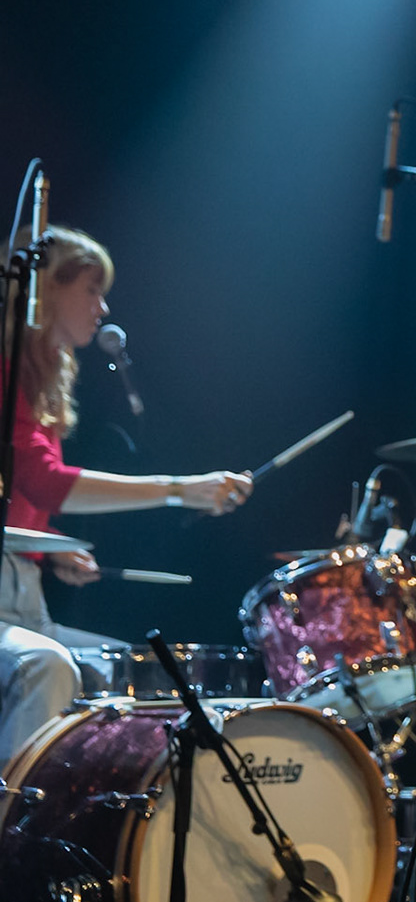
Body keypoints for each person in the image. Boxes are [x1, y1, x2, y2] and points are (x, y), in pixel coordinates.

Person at [1, 225, 253, 764]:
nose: (103, 307)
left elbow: (26, 495)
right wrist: (179, 490)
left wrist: (48, 546)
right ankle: (15, 817)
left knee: (142, 675)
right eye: (91, 290)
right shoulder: (6, 373)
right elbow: (45, 481)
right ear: (47, 290)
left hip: (25, 602)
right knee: (47, 664)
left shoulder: (38, 380)